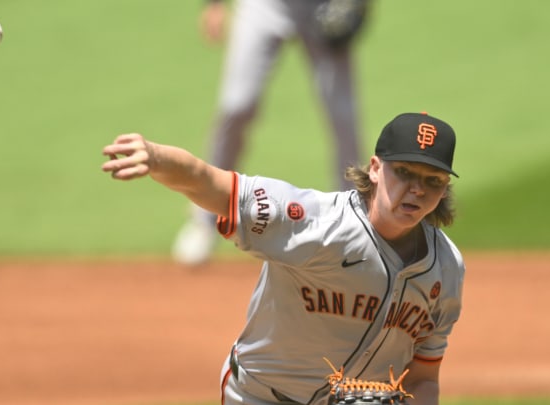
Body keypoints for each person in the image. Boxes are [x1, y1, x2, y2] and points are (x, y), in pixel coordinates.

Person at [101, 111, 465, 405]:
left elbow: (422, 377)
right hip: (259, 398)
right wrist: (154, 156)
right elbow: (209, 182)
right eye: (404, 172)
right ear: (375, 168)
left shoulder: (446, 266)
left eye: (433, 180)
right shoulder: (315, 223)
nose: (417, 189)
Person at [173, 0, 370, 265]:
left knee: (343, 117)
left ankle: (355, 222)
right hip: (264, 6)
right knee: (236, 105)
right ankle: (205, 218)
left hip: (322, 6)